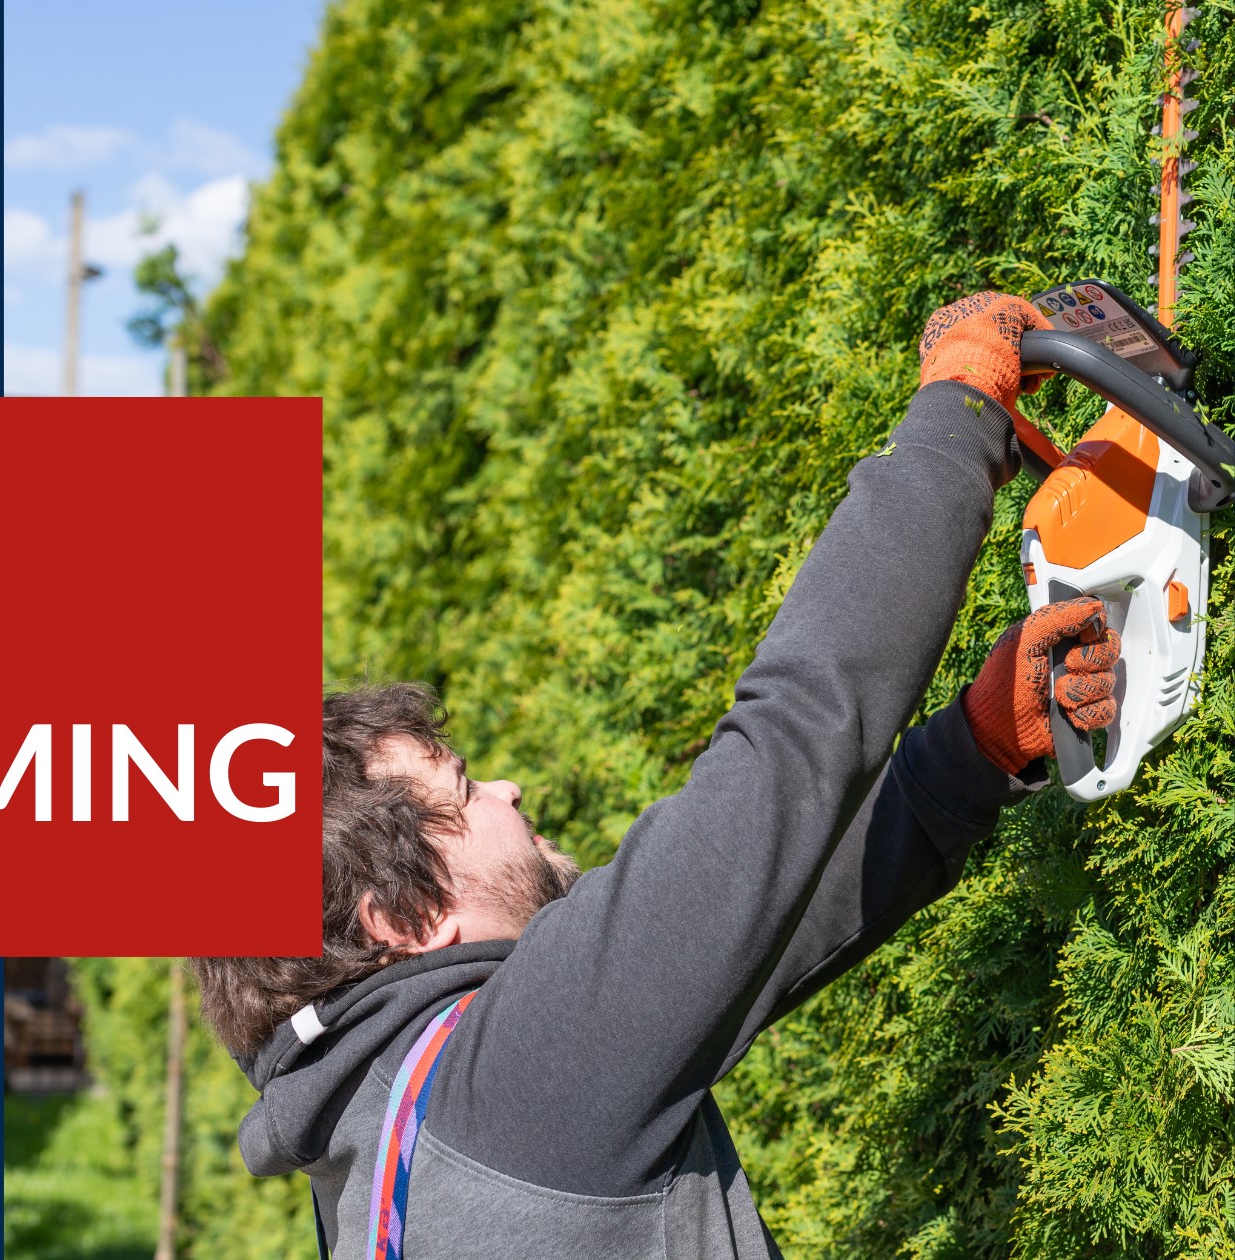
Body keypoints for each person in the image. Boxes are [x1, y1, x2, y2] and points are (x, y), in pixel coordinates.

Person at [192, 292, 1124, 1258]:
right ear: (406, 920)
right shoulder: (513, 1085)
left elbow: (754, 924)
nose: (507, 793)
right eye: (464, 792)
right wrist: (958, 414)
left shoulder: (388, 1152)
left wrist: (968, 754)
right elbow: (790, 743)